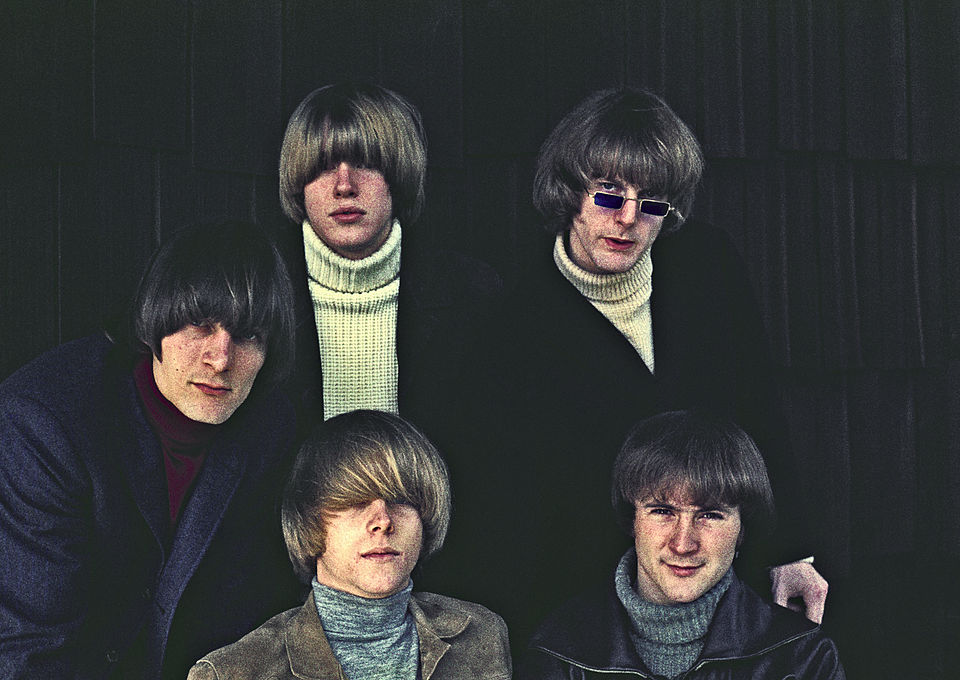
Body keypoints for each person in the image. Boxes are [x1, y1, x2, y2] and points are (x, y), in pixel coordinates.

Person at [442, 88, 826, 649]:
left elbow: (759, 410)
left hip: (719, 580)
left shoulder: (707, 267)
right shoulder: (512, 325)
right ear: (570, 193)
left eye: (652, 202)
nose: (627, 219)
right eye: (608, 194)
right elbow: (509, 509)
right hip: (587, 608)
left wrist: (790, 549)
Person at [0, 220, 299, 679]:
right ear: (154, 324)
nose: (221, 358)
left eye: (247, 335)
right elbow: (20, 654)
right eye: (199, 325)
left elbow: (249, 600)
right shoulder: (41, 424)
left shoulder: (268, 427)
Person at [187, 409, 512, 680]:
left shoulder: (483, 634)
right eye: (355, 501)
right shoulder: (230, 673)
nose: (383, 520)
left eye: (401, 500)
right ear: (308, 521)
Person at [520, 410, 845, 679]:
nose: (683, 543)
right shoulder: (558, 655)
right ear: (631, 521)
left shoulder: (802, 660)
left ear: (742, 529)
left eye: (710, 515)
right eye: (662, 511)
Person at [276, 82, 501, 446]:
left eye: (365, 163)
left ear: (397, 176)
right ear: (299, 182)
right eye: (323, 166)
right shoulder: (263, 294)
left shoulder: (470, 293)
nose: (344, 186)